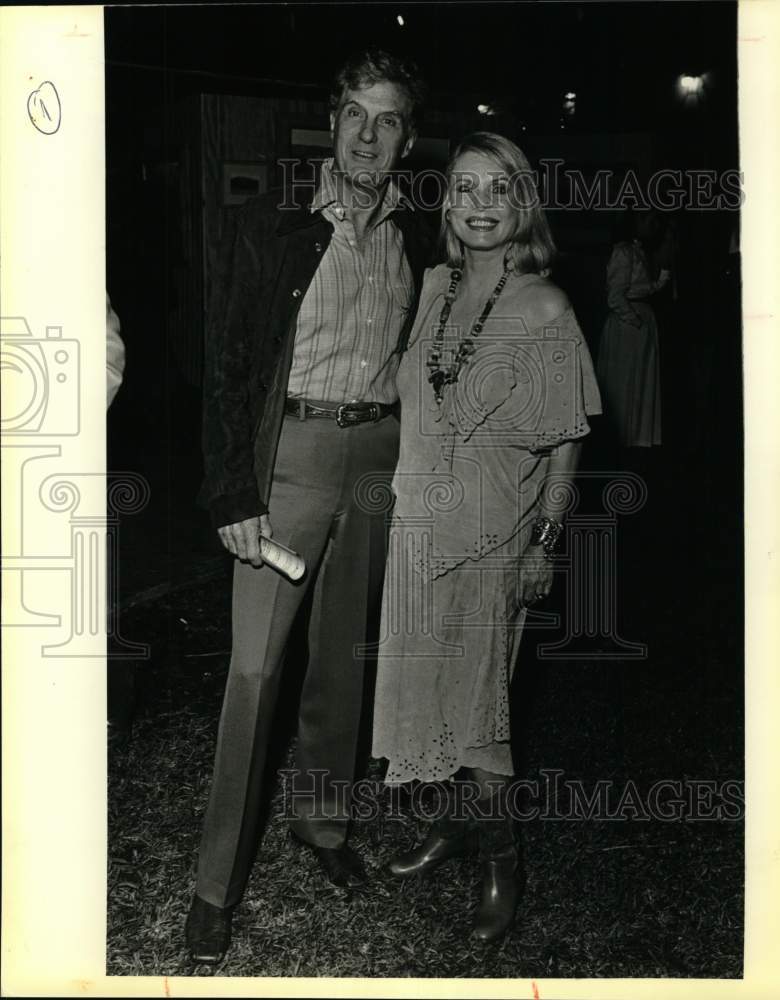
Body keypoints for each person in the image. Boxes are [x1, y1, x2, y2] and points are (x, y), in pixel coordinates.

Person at [185, 48, 431, 964]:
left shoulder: (421, 238)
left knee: (342, 661)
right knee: (255, 670)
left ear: (408, 137)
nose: (370, 136)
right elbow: (226, 367)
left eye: (390, 119)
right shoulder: (273, 224)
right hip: (286, 456)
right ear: (332, 123)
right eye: (357, 115)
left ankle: (323, 828)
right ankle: (215, 883)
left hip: (377, 456)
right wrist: (230, 489)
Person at [371, 132, 601, 942]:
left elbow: (568, 435)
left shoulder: (544, 305)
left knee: (480, 713)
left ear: (520, 203)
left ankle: (503, 858)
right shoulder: (432, 287)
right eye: (462, 189)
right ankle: (458, 825)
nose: (476, 205)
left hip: (496, 534)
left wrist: (543, 540)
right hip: (419, 527)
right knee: (430, 695)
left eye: (494, 190)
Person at [596, 209, 670, 449]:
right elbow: (615, 296)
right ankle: (621, 438)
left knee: (639, 381)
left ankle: (637, 436)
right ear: (634, 223)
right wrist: (635, 320)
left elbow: (643, 288)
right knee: (624, 382)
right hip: (628, 325)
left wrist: (662, 280)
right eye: (647, 220)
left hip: (640, 320)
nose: (653, 225)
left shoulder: (640, 251)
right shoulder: (623, 252)